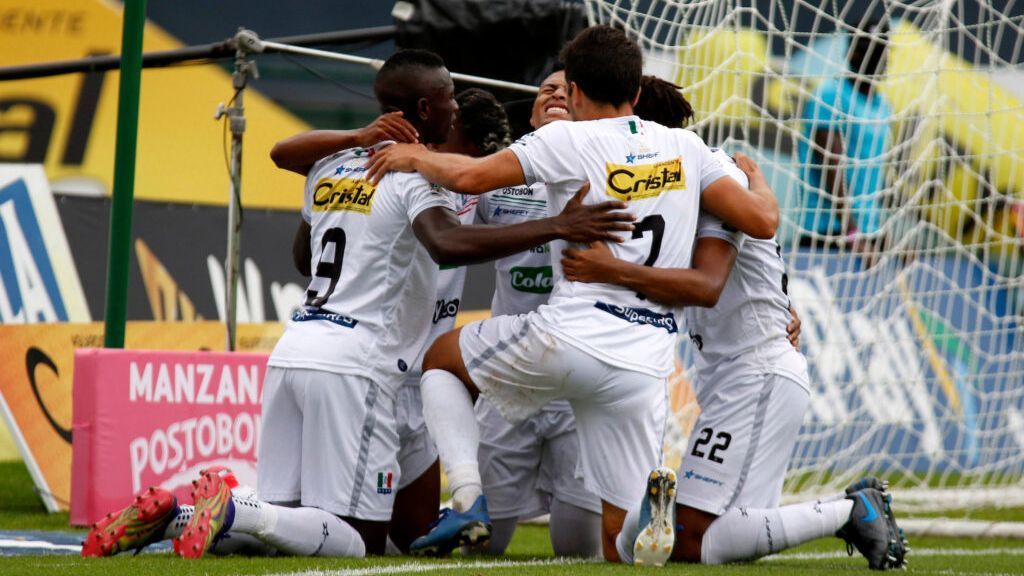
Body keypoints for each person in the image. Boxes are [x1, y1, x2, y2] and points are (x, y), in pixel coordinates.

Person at [81, 49, 634, 559]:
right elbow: (447, 244)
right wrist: (559, 225)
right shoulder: (415, 173)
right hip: (366, 365)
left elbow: (304, 251)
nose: (454, 105)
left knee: (360, 530)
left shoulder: (331, 165)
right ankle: (235, 507)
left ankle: (177, 517)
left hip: (302, 347)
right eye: (448, 97)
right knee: (358, 541)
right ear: (426, 109)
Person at [365, 25, 781, 560]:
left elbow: (470, 177)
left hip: (571, 335)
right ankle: (644, 515)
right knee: (618, 542)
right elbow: (761, 221)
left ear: (576, 92)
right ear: (636, 91)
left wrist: (413, 157)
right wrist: (758, 182)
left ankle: (467, 497)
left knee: (441, 360)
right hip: (644, 361)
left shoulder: (568, 139)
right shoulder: (688, 147)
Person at [561, 76, 908, 570]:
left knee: (690, 543)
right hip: (742, 373)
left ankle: (851, 511)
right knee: (713, 538)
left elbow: (709, 282)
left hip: (756, 372)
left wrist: (608, 270)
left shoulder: (713, 181)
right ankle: (646, 518)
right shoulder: (687, 187)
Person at [471, 68, 603, 558]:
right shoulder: (496, 180)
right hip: (511, 375)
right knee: (483, 543)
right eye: (546, 89)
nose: (556, 93)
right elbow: (447, 235)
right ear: (530, 115)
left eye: (568, 90)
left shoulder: (612, 175)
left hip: (581, 379)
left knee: (579, 550)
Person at [797, 17, 892, 259]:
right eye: (866, 50)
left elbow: (875, 176)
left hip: (868, 234)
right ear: (852, 53)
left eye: (880, 50)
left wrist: (885, 237)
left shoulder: (882, 105)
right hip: (828, 234)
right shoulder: (830, 95)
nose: (875, 58)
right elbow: (831, 167)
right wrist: (852, 235)